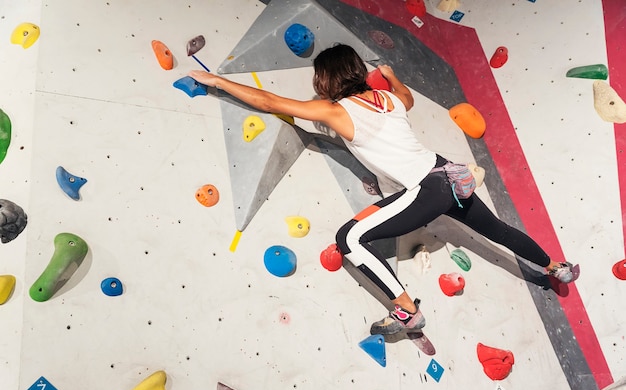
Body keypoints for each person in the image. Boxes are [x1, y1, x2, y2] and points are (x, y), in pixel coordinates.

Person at [188, 43, 580, 336]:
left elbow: (269, 100)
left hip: (426, 187)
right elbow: (407, 97)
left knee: (350, 239)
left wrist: (216, 82)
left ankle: (406, 311)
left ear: (323, 80)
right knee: (499, 231)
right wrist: (391, 76)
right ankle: (555, 267)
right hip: (447, 174)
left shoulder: (337, 111)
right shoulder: (389, 99)